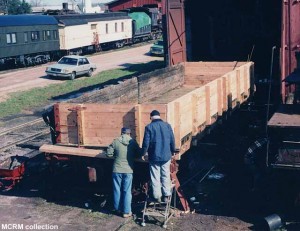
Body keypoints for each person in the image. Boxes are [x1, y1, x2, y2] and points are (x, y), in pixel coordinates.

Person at [141, 110, 176, 203]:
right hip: (166, 155)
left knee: (155, 176)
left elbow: (146, 143)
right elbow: (172, 139)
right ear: (159, 116)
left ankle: (157, 196)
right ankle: (166, 195)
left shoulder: (149, 127)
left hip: (154, 156)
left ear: (151, 117)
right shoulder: (167, 125)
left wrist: (143, 153)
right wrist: (173, 151)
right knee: (165, 174)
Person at [106, 127, 140, 218]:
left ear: (121, 133)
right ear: (129, 134)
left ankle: (117, 209)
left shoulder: (116, 141)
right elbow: (139, 154)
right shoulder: (132, 142)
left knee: (117, 190)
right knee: (127, 191)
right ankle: (126, 212)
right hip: (128, 170)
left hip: (116, 170)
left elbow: (109, 154)